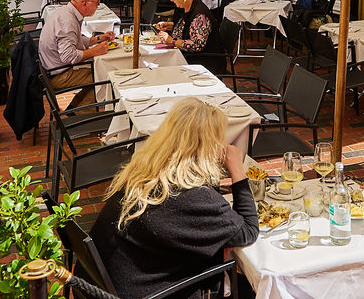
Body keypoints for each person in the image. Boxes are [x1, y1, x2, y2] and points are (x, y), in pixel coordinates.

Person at [87, 98, 258, 299]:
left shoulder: (144, 171)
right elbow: (248, 230)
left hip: (113, 281)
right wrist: (236, 169)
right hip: (149, 291)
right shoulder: (192, 196)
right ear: (207, 146)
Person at [38, 0, 115, 109]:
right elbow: (68, 56)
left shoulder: (68, 13)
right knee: (104, 75)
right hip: (59, 75)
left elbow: (75, 40)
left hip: (54, 68)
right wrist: (94, 51)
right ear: (84, 3)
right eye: (97, 2)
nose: (98, 6)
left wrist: (98, 39)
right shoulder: (68, 20)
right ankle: (82, 115)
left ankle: (77, 110)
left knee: (100, 72)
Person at [155, 0, 225, 58]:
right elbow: (189, 26)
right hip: (189, 56)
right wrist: (169, 25)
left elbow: (196, 45)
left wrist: (171, 41)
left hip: (203, 61)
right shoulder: (188, 7)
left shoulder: (200, 16)